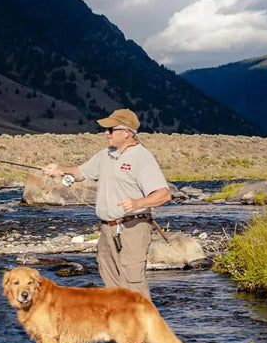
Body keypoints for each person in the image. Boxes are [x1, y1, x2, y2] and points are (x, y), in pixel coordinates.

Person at [42, 108, 171, 300]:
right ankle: (122, 325)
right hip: (107, 230)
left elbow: (164, 194)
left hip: (133, 228)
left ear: (126, 133)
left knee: (133, 283)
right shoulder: (106, 154)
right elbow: (81, 172)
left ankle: (142, 326)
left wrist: (138, 203)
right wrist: (60, 169)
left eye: (110, 129)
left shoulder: (142, 157)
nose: (106, 133)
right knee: (110, 280)